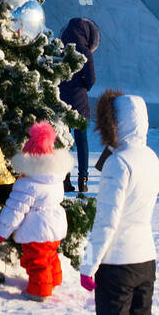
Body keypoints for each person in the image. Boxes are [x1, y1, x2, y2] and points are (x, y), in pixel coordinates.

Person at [79, 91, 159, 315]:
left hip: (117, 265)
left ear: (112, 123)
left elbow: (106, 221)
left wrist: (88, 265)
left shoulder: (117, 163)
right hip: (146, 260)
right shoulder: (151, 158)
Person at [0, 121, 73, 299]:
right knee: (51, 256)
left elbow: (14, 210)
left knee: (37, 261)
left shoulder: (26, 184)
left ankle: (39, 291)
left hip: (36, 230)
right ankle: (55, 280)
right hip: (55, 226)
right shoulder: (55, 178)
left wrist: (2, 231)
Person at [58, 17, 100, 194]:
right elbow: (91, 80)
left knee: (64, 141)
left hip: (61, 100)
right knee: (82, 141)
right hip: (80, 101)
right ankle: (83, 179)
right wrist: (82, 86)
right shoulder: (85, 52)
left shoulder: (61, 50)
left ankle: (65, 179)